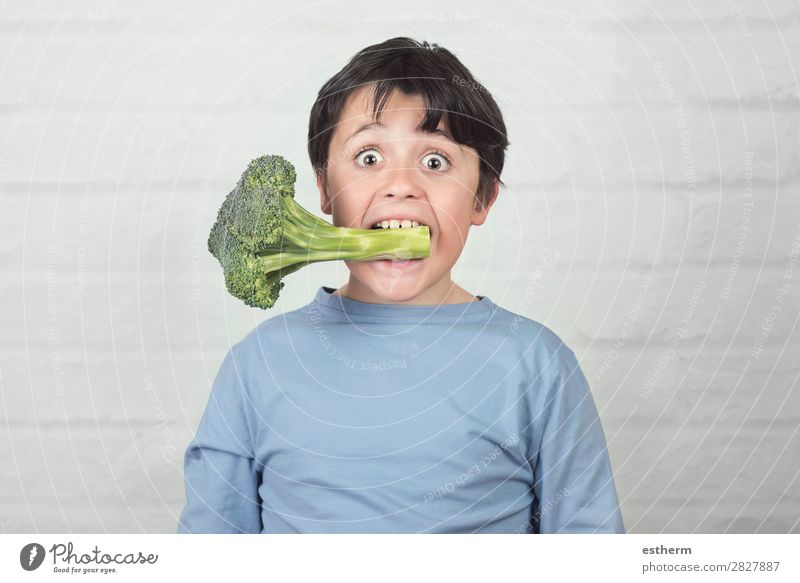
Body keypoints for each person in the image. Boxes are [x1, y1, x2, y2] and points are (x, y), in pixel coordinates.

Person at [177, 37, 625, 534]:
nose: (401, 184)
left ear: (483, 198)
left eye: (435, 161)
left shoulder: (535, 364)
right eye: (369, 157)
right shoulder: (256, 364)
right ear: (324, 188)